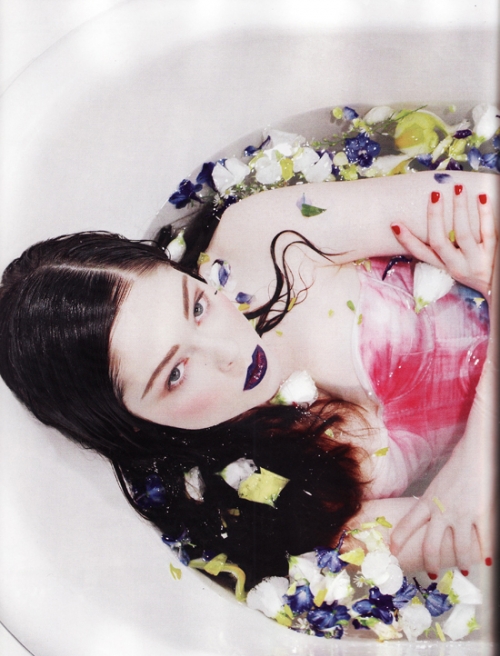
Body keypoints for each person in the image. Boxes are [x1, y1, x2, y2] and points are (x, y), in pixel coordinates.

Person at [0, 170, 497, 591]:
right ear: (132, 424)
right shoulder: (259, 510)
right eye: (175, 374)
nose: (229, 352)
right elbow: (483, 530)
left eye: (196, 306)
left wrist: (473, 469)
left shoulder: (261, 237)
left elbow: (488, 199)